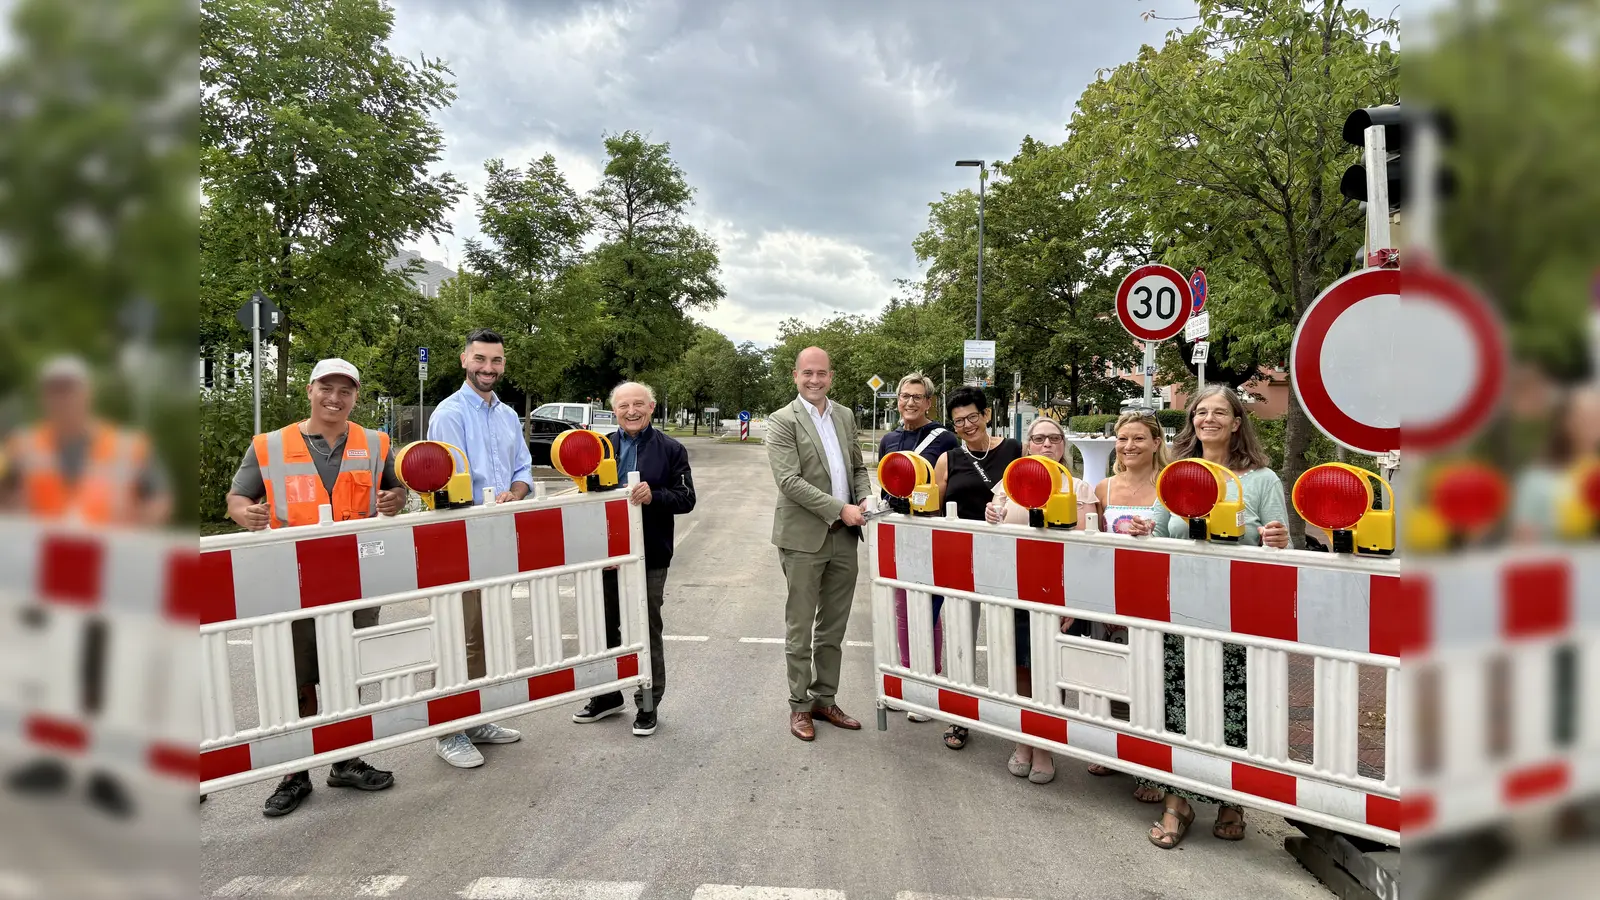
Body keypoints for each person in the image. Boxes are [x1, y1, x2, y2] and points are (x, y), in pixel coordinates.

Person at [224, 357, 407, 816]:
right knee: (299, 676)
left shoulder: (375, 442)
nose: (335, 398)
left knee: (349, 667)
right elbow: (237, 498)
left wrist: (394, 500)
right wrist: (247, 515)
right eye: (327, 388)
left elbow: (396, 491)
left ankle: (344, 757)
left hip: (357, 576)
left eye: (345, 391)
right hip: (295, 579)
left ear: (355, 398)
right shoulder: (270, 445)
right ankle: (296, 770)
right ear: (310, 390)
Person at [1, 355, 173, 817]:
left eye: (70, 390)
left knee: (104, 680)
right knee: (50, 675)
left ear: (85, 394)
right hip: (45, 580)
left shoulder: (126, 446)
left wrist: (134, 531)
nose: (62, 399)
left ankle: (107, 773)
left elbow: (157, 499)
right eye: (54, 391)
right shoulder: (24, 445)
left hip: (108, 580)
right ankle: (55, 763)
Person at [1138, 385, 1289, 849]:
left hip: (1238, 608)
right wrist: (1147, 529)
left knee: (1234, 700)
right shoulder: (1177, 474)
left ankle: (1230, 798)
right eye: (1201, 412)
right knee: (1179, 694)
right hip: (1183, 604)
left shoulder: (1262, 479)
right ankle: (1177, 800)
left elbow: (1280, 543)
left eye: (1219, 412)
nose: (1208, 419)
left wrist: (1275, 539)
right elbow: (1162, 532)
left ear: (1237, 421)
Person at [426, 329, 532, 768]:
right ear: (464, 360)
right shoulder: (449, 414)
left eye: (497, 361)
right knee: (460, 635)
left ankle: (475, 717)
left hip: (497, 539)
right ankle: (448, 730)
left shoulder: (507, 414)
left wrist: (516, 491)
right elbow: (442, 481)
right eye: (481, 359)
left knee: (484, 633)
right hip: (460, 540)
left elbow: (523, 467)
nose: (489, 368)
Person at [571, 381, 695, 736]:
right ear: (615, 410)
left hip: (650, 554)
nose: (631, 411)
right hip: (603, 553)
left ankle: (648, 702)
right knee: (604, 627)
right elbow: (582, 495)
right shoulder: (598, 446)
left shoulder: (671, 449)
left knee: (645, 627)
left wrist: (654, 495)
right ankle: (607, 696)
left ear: (652, 407)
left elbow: (686, 498)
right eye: (624, 406)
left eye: (638, 404)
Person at [765, 347, 872, 742]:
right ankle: (799, 706)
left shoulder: (843, 415)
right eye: (807, 373)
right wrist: (840, 509)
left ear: (831, 376)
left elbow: (858, 467)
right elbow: (789, 482)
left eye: (821, 373)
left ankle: (824, 699)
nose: (815, 380)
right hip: (803, 539)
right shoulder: (781, 421)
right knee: (800, 627)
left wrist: (863, 499)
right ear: (795, 375)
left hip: (844, 537)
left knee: (833, 627)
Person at [981, 415, 1095, 784]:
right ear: (1027, 444)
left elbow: (1087, 552)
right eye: (1039, 438)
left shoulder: (1078, 488)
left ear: (1064, 447)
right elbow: (995, 532)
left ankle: (1045, 746)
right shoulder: (1009, 483)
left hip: (1056, 596)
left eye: (1054, 439)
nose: (1047, 445)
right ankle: (1023, 739)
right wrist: (990, 516)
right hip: (1014, 591)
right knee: (1019, 667)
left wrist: (1073, 603)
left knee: (1050, 670)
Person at [1076, 409, 1171, 800]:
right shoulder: (1104, 490)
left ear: (1155, 443)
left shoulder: (1169, 486)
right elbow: (1091, 545)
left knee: (1150, 678)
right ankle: (1110, 749)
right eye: (1123, 438)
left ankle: (1148, 767)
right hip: (1111, 596)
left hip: (1154, 597)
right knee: (1112, 674)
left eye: (1138, 439)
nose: (1129, 446)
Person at [933, 386, 1023, 752]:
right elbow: (934, 508)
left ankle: (1013, 715)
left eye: (972, 417)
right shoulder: (949, 459)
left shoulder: (1016, 450)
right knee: (960, 638)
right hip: (961, 561)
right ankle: (960, 714)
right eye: (959, 421)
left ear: (986, 414)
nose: (967, 425)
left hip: (1007, 560)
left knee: (1007, 640)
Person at [876, 372, 958, 722]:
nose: (909, 402)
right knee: (901, 607)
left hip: (929, 531)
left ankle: (930, 681)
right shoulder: (889, 440)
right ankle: (909, 676)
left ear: (929, 402)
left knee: (927, 606)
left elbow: (949, 486)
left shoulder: (944, 439)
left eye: (917, 397)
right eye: (904, 396)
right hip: (899, 534)